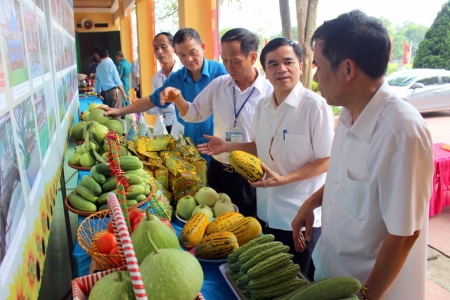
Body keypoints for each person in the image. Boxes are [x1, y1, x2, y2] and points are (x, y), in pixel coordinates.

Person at [291, 10, 434, 299]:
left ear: (347, 69)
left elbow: (405, 233)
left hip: (371, 290)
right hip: (332, 271)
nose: (315, 77)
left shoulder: (400, 132)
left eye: (318, 66)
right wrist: (311, 202)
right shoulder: (348, 113)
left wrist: (367, 296)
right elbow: (345, 179)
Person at [194, 37, 334, 279]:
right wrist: (227, 145)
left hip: (299, 218)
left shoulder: (316, 107)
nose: (281, 69)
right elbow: (259, 147)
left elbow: (327, 161)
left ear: (301, 65)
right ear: (265, 72)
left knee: (298, 284)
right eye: (273, 64)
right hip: (266, 213)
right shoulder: (263, 106)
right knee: (271, 282)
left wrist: (284, 179)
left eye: (288, 62)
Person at [160, 28, 273, 217]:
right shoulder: (219, 85)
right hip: (218, 171)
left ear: (253, 58)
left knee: (245, 228)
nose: (229, 67)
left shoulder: (269, 93)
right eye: (225, 60)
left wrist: (227, 146)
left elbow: (269, 143)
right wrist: (178, 98)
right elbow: (194, 113)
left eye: (235, 61)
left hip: (249, 176)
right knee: (214, 228)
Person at [103, 28, 227, 158]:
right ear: (176, 53)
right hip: (189, 147)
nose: (189, 59)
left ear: (202, 47)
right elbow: (152, 100)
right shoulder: (176, 78)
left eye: (193, 53)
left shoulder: (220, 72)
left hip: (217, 148)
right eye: (182, 55)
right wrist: (119, 111)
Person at [146, 32, 183, 133]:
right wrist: (143, 106)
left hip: (184, 127)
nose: (159, 52)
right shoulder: (156, 78)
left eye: (163, 47)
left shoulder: (183, 72)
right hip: (168, 127)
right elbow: (157, 107)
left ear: (173, 48)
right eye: (156, 48)